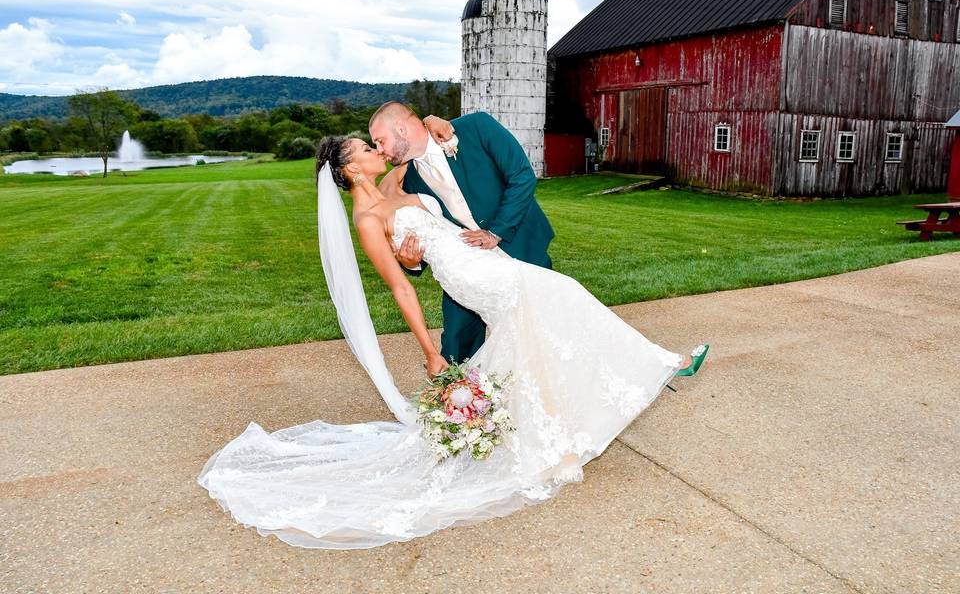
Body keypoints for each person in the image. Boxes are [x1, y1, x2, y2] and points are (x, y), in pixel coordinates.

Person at [197, 136, 709, 550]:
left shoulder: (396, 181)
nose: (376, 152)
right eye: (364, 150)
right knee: (564, 293)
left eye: (372, 145)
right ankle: (663, 363)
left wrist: (439, 120)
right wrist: (428, 348)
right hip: (469, 276)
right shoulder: (368, 220)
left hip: (483, 259)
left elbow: (409, 137)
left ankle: (553, 440)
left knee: (534, 335)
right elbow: (401, 286)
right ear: (350, 171)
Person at [370, 102, 554, 363]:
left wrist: (496, 232)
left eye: (380, 140)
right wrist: (411, 262)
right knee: (457, 350)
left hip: (520, 246)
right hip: (467, 269)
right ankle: (463, 402)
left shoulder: (476, 127)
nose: (380, 150)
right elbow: (426, 233)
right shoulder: (406, 180)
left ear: (401, 128)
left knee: (541, 334)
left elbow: (522, 176)